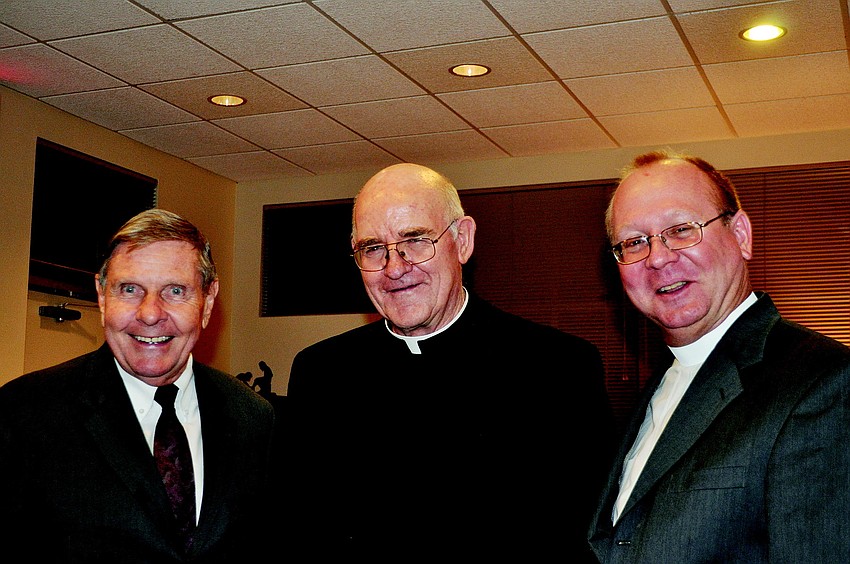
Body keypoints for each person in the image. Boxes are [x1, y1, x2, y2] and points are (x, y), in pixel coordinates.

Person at [284, 163, 616, 562]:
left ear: (462, 240)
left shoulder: (557, 366)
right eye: (373, 248)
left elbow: (584, 535)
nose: (394, 267)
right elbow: (297, 530)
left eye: (416, 240)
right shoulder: (322, 372)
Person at [588, 150, 850, 562]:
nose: (658, 257)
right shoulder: (662, 385)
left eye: (680, 229)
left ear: (741, 235)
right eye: (634, 241)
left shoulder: (823, 381)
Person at [0, 209, 276, 562]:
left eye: (175, 291)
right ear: (102, 297)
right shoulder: (25, 412)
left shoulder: (253, 416)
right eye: (129, 289)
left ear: (207, 302)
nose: (149, 313)